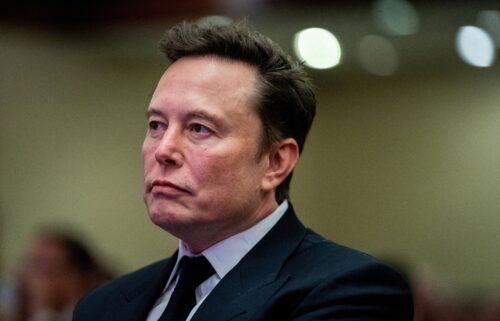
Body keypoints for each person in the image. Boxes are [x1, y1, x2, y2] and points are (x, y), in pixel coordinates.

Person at [72, 20, 413, 321]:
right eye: (157, 124)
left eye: (199, 128)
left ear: (276, 162)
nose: (163, 150)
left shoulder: (350, 291)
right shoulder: (102, 305)